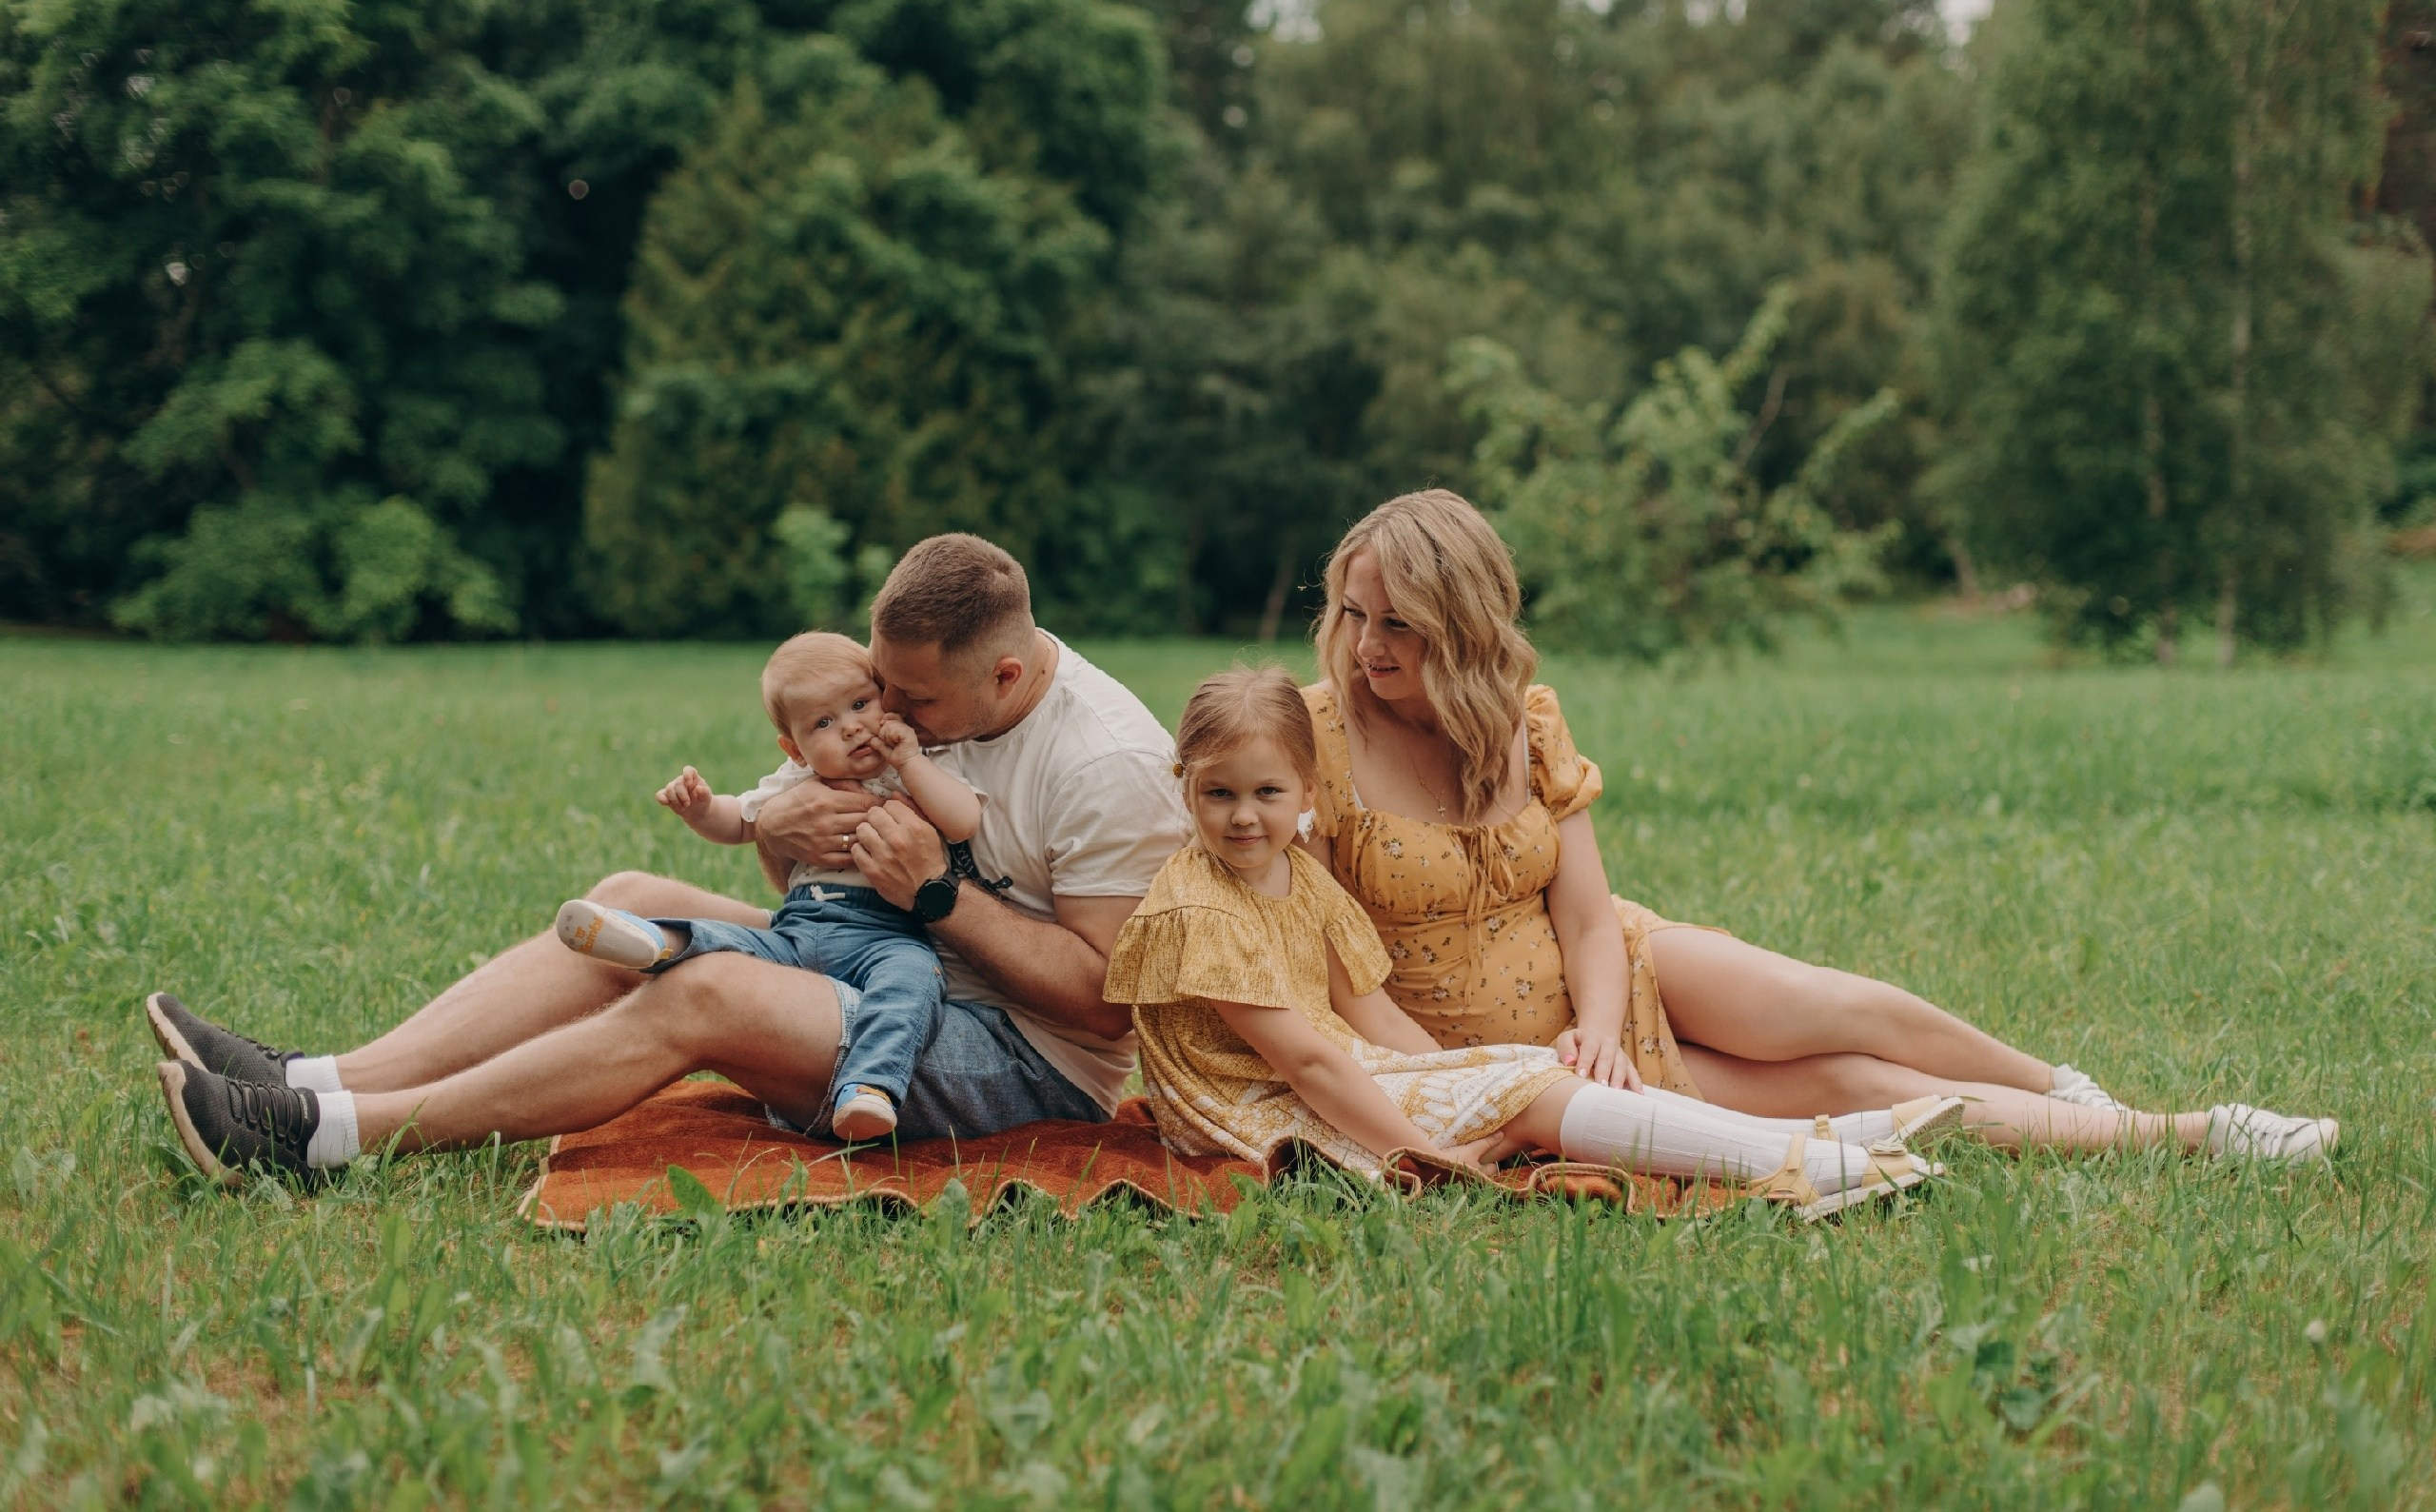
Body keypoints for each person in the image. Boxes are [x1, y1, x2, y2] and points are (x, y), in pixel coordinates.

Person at [1302, 489, 2339, 1163]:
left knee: (1847, 1005)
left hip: (1612, 977)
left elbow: (1581, 917)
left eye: (1398, 621)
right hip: (1510, 1051)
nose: (1368, 643)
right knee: (1862, 1092)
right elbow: (1329, 969)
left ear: (1464, 622)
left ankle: (2060, 1082)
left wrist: (1605, 1027)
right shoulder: (1314, 738)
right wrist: (1559, 1068)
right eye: (1353, 613)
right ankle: (2193, 1135)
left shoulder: (1523, 720)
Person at [147, 535, 1190, 1186]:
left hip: (1021, 1061)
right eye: (882, 691)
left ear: (1006, 672)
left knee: (705, 989)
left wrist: (938, 891)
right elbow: (817, 894)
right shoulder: (933, 692)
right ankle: (316, 1075)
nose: (889, 720)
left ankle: (326, 1137)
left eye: (911, 705)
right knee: (629, 898)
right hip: (878, 954)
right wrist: (785, 836)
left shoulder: (1108, 763)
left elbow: (1108, 1007)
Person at [1107, 667, 1954, 1220]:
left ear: (1306, 792)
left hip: (1330, 1072)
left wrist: (1462, 1079)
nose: (1243, 814)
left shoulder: (1303, 874)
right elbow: (1311, 1064)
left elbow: (1369, 1013)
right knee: (1526, 1094)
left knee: (1520, 1074)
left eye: (1266, 791)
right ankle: (1798, 1160)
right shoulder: (1197, 908)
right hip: (1248, 1110)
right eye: (1217, 793)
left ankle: (1840, 1138)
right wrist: (1432, 1154)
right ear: (1185, 786)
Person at [551, 630, 984, 1143]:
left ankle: (869, 1089)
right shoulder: (794, 781)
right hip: (801, 926)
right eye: (823, 723)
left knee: (914, 981)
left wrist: (910, 761)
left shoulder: (918, 766)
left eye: (860, 704)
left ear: (887, 700)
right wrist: (701, 809)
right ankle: (656, 941)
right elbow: (740, 822)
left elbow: (962, 820)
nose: (850, 729)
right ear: (795, 750)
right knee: (735, 946)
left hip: (887, 935)